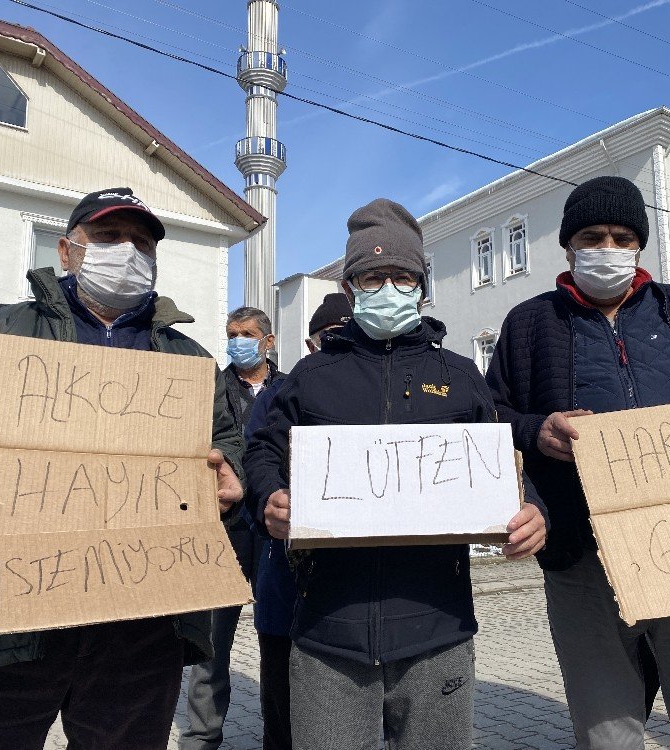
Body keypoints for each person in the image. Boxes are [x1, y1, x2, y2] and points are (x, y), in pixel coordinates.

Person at [0, 187, 245, 750]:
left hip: (141, 625)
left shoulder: (189, 359)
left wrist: (230, 479)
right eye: (108, 237)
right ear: (66, 250)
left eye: (142, 243)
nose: (127, 252)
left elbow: (226, 443)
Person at [486, 176, 670, 750]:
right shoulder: (529, 323)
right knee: (607, 725)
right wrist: (536, 429)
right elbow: (492, 415)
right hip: (582, 549)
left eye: (622, 238)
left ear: (639, 245)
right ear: (568, 247)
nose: (607, 249)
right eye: (592, 237)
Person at [244, 198, 548, 750]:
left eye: (402, 275)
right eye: (372, 276)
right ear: (351, 287)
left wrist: (534, 512)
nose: (388, 287)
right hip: (328, 632)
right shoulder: (312, 376)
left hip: (438, 629)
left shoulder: (459, 376)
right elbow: (263, 449)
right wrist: (268, 496)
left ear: (421, 285)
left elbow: (506, 463)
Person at [242, 292, 351, 750]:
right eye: (330, 336)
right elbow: (255, 461)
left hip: (351, 586)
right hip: (284, 570)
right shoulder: (280, 395)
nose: (340, 342)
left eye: (348, 332)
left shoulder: (374, 394)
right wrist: (270, 499)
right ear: (311, 344)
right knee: (282, 700)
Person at [180, 306, 282, 750]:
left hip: (273, 529)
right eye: (231, 334)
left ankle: (279, 735)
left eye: (247, 334)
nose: (237, 341)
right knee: (212, 639)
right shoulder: (211, 388)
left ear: (268, 341)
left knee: (276, 638)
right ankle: (203, 736)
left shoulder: (289, 387)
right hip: (224, 528)